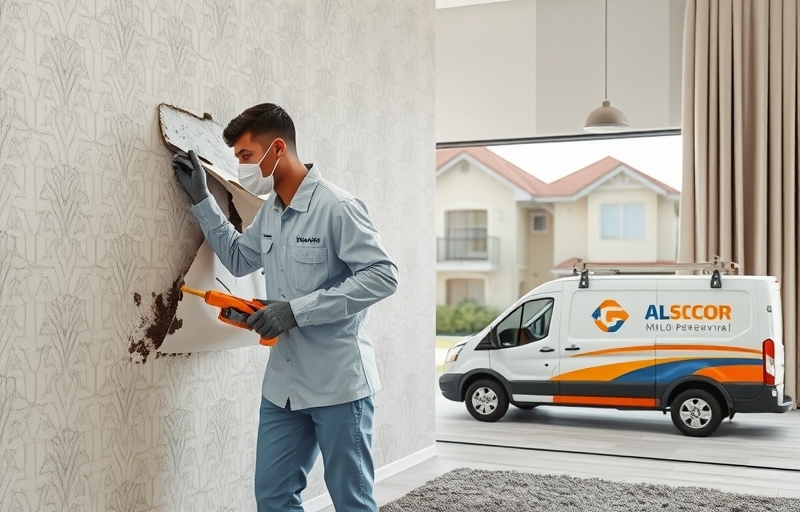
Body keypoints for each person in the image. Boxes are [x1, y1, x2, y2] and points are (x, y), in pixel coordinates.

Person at [172, 103, 398, 512]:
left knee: (352, 501)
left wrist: (294, 311)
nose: (240, 166)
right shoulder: (271, 213)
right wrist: (203, 199)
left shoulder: (337, 207)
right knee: (273, 497)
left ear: (276, 149)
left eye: (244, 156)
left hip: (338, 386)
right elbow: (240, 258)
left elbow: (383, 276)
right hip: (284, 387)